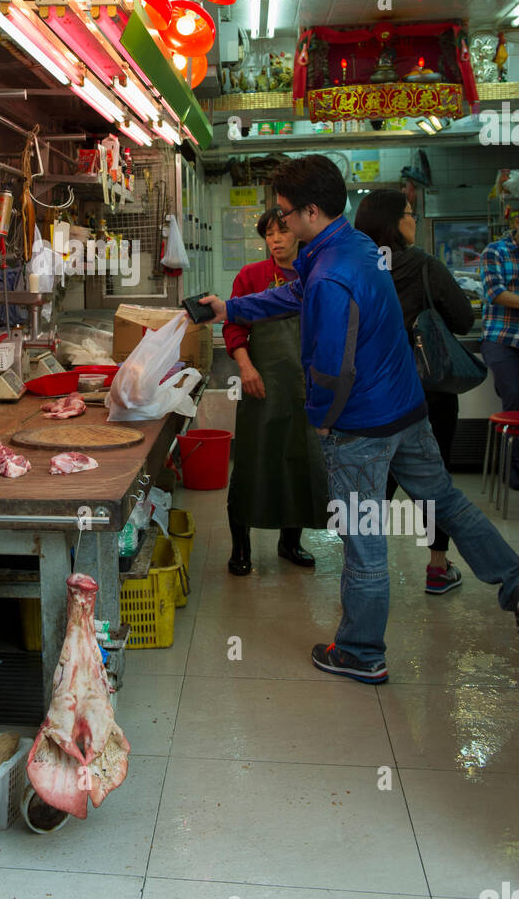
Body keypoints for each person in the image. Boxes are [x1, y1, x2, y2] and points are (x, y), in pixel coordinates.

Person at [199, 154, 519, 684]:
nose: (280, 222)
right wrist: (230, 310)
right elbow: (295, 293)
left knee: (364, 536)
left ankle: (361, 651)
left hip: (362, 428)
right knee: (447, 501)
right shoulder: (353, 247)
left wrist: (323, 422)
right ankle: (512, 579)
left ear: (310, 211)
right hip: (406, 411)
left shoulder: (329, 275)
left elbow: (329, 369)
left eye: (285, 212)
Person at [354, 188, 473, 595]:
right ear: (394, 222)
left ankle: (363, 572)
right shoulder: (426, 267)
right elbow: (463, 318)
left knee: (375, 483)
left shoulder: (354, 266)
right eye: (409, 214)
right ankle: (438, 567)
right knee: (434, 482)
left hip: (372, 396)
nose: (414, 220)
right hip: (429, 393)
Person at [224, 208, 328, 575]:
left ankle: (290, 543)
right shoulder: (251, 277)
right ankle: (241, 549)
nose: (276, 240)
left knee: (300, 462)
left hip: (305, 385)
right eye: (269, 234)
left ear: (298, 232)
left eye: (283, 231)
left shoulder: (313, 276)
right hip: (261, 384)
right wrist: (246, 367)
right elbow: (233, 327)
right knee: (253, 463)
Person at [479, 212, 519, 490]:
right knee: (515, 399)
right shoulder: (496, 251)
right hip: (502, 339)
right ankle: (515, 473)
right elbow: (496, 293)